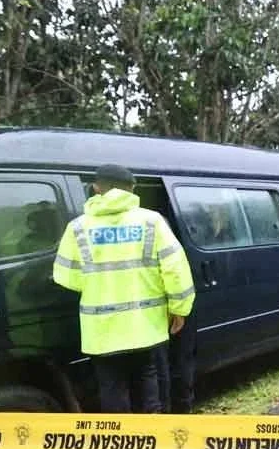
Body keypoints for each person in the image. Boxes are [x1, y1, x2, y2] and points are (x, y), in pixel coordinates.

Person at [53, 164, 196, 413]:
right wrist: (179, 310)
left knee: (112, 390)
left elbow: (66, 277)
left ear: (96, 188)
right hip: (146, 327)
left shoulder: (76, 227)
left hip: (101, 332)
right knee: (149, 386)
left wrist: (100, 285)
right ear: (132, 189)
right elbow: (176, 270)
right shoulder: (152, 222)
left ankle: (122, 448)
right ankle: (153, 444)